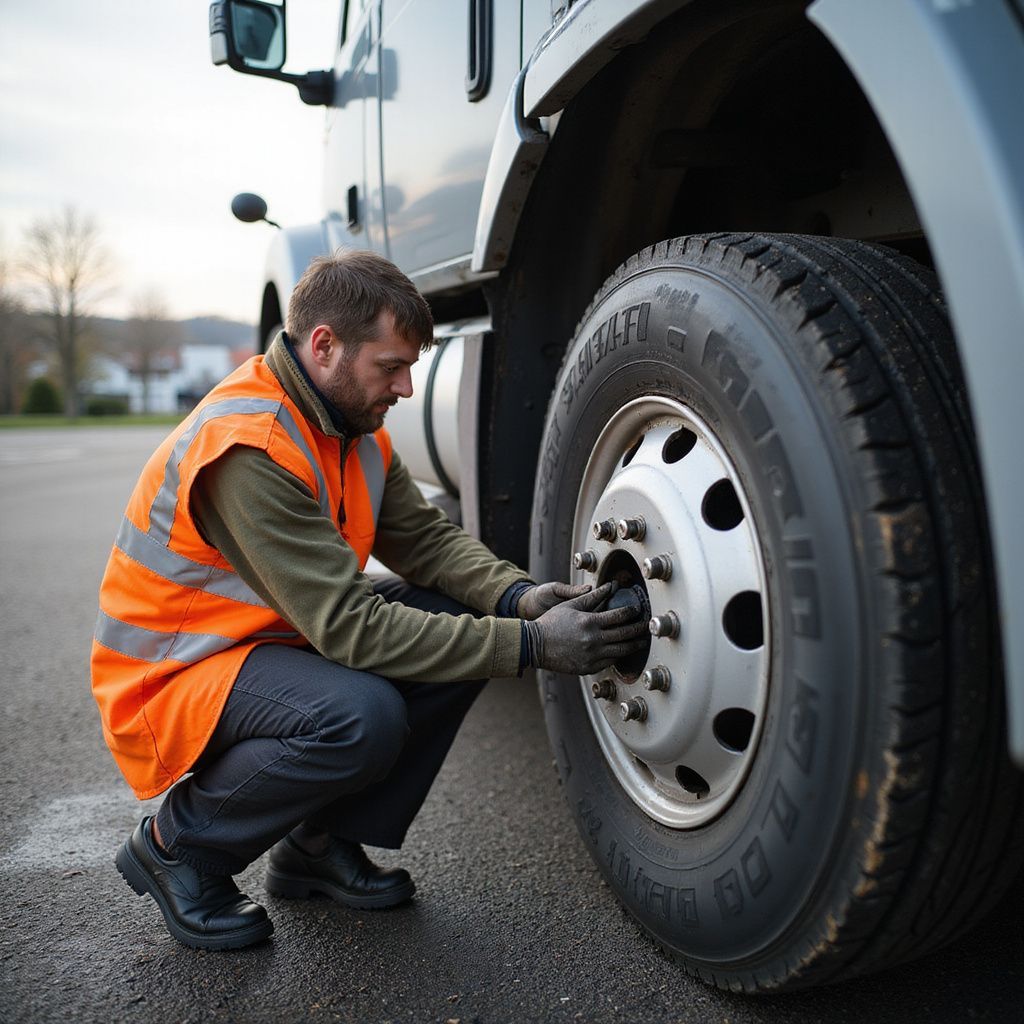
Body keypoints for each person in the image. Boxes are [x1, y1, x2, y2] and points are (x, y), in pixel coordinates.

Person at [91, 249, 647, 950]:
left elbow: (428, 544)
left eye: (410, 366)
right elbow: (350, 629)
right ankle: (180, 849)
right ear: (324, 346)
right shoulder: (249, 445)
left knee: (463, 624)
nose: (407, 388)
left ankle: (320, 847)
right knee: (360, 718)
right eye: (391, 366)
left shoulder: (347, 425)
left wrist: (519, 598)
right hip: (175, 672)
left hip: (266, 639)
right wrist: (533, 646)